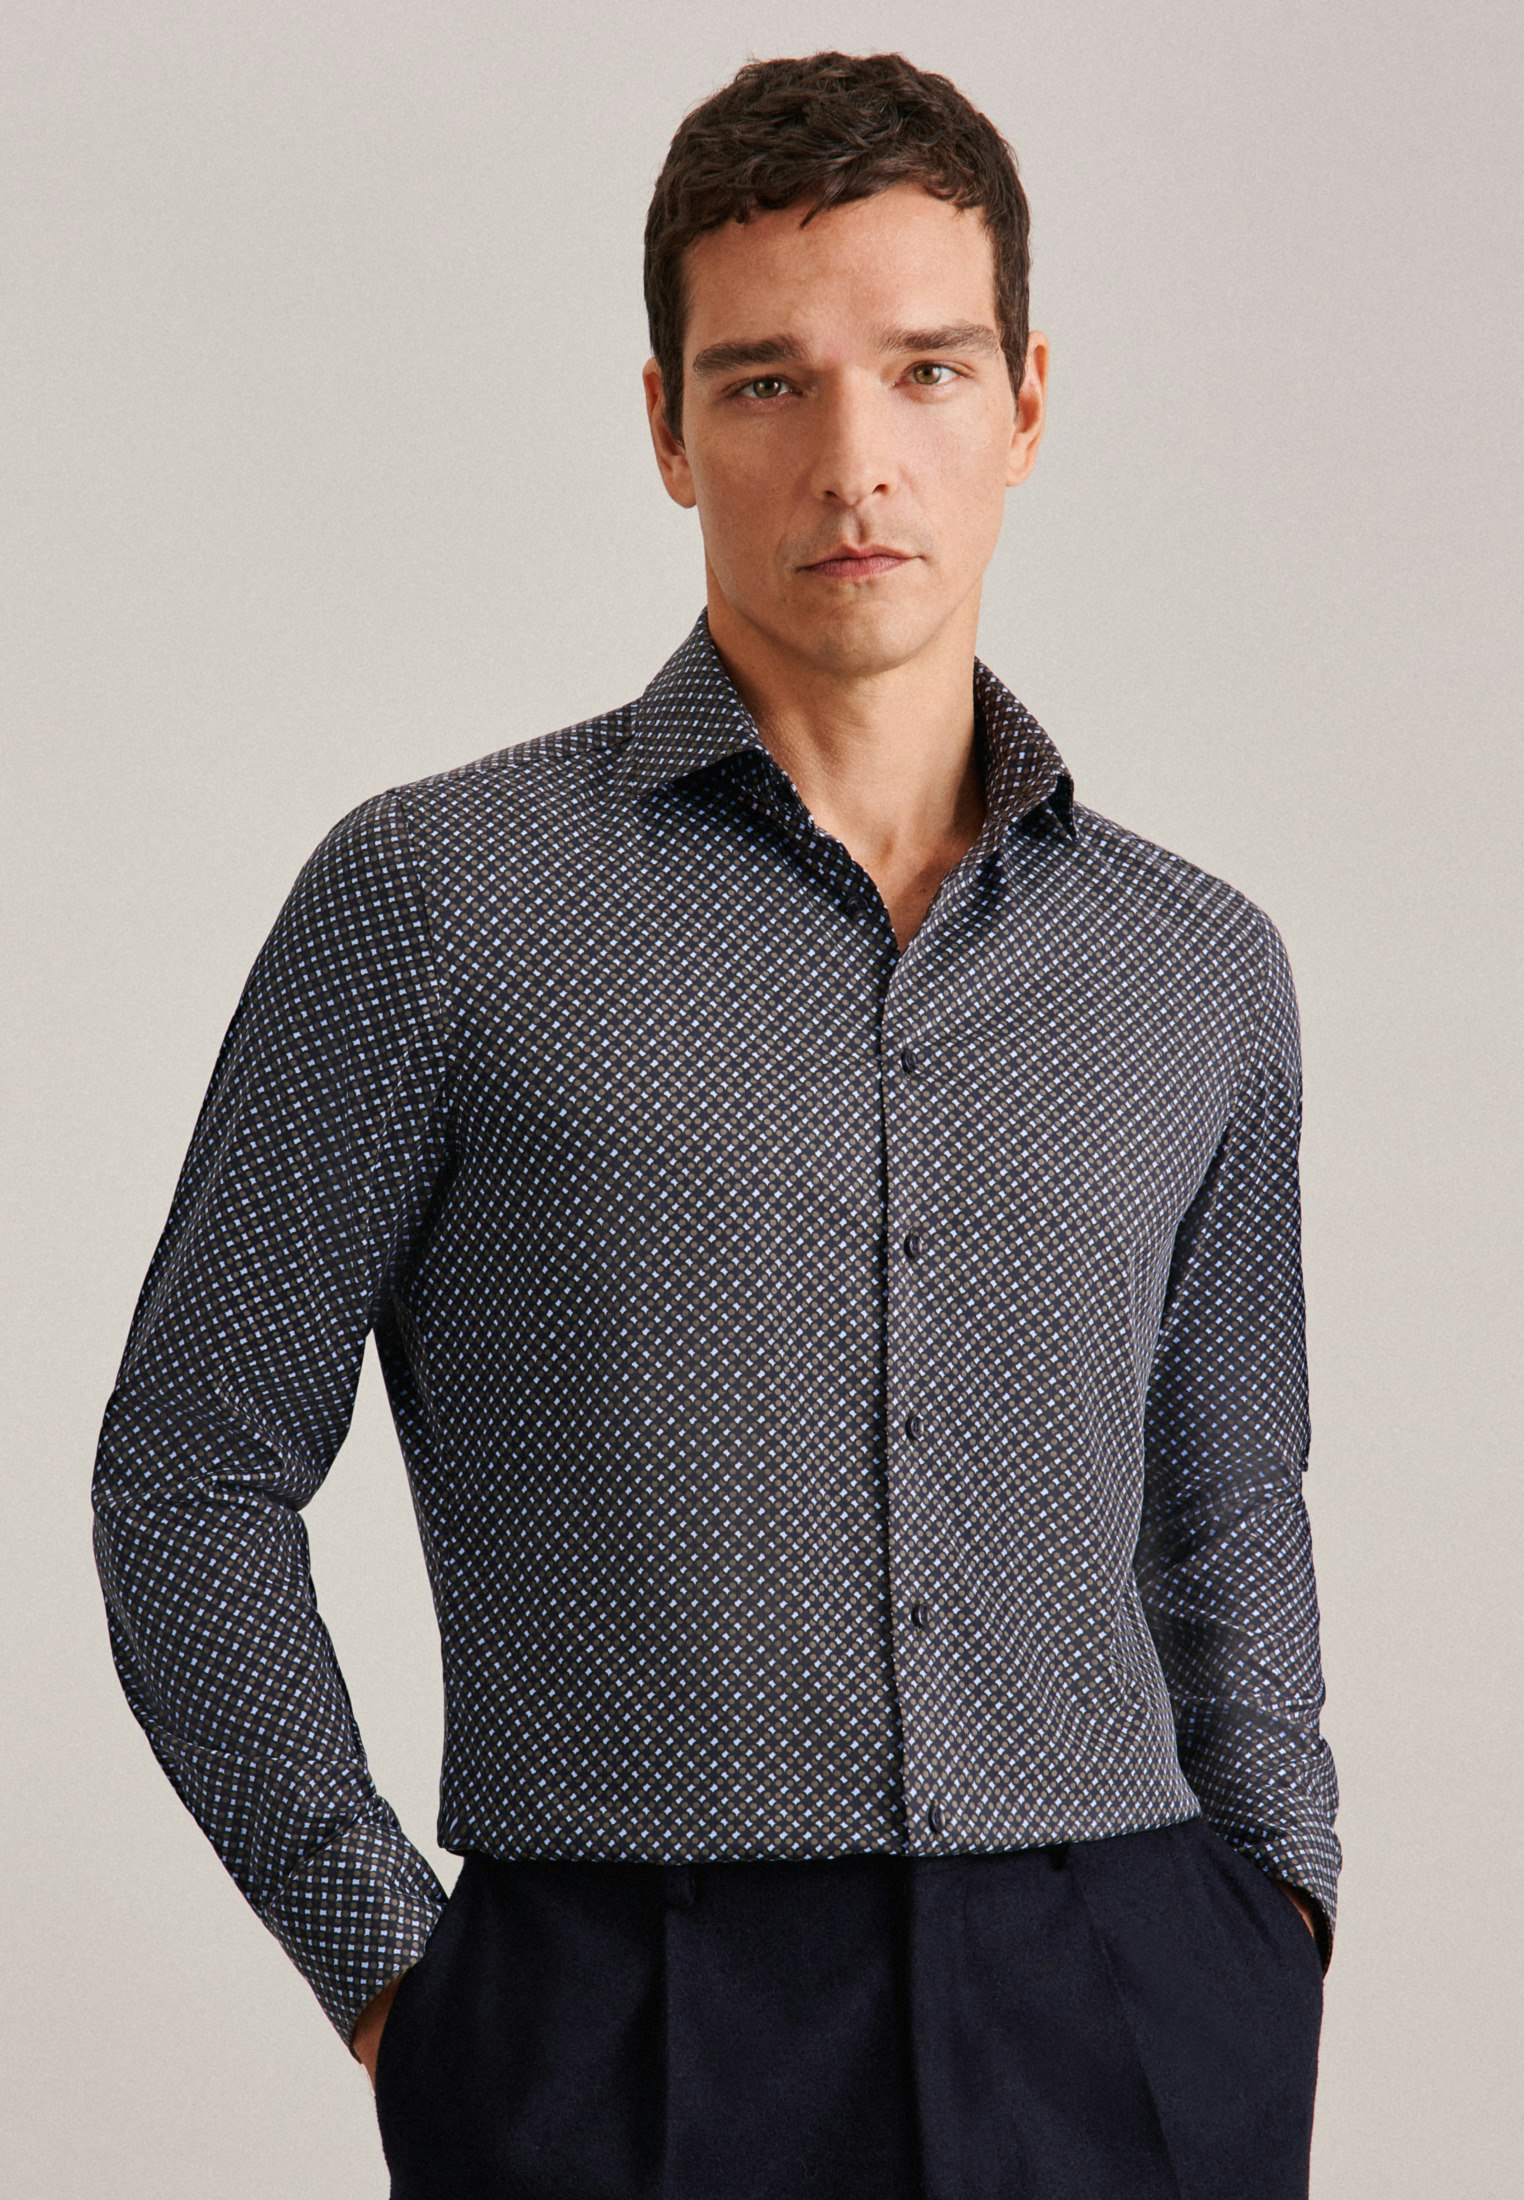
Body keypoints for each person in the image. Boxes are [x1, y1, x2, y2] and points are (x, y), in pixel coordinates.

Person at [91, 47, 1340, 2200]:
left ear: (1027, 401)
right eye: (768, 384)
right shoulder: (438, 900)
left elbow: (1229, 1495)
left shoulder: (1198, 965)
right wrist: (406, 1985)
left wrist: (1273, 1920)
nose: (856, 460)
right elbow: (185, 1472)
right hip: (624, 2024)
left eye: (927, 370)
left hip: (1126, 1997)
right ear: (668, 425)